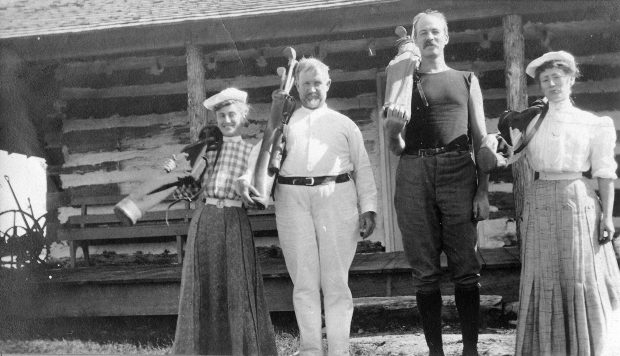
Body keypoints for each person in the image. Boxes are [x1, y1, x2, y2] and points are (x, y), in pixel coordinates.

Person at [239, 57, 377, 356]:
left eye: (317, 83)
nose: (312, 90)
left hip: (336, 198)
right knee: (304, 280)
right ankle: (311, 348)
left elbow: (363, 168)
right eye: (305, 84)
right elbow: (260, 156)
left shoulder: (344, 124)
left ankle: (339, 349)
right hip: (292, 201)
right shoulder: (286, 123)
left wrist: (368, 208)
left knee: (336, 281)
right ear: (297, 87)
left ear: (327, 85)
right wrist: (247, 181)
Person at [383, 9, 490, 356]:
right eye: (423, 33)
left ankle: (470, 349)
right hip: (414, 170)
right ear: (415, 40)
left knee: (465, 267)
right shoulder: (402, 82)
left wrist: (483, 190)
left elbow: (481, 139)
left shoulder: (466, 79)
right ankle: (435, 351)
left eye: (435, 32)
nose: (430, 38)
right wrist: (393, 129)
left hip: (459, 170)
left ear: (446, 37)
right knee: (425, 271)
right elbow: (396, 149)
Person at [502, 50, 620, 356]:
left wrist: (607, 217)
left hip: (577, 199)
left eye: (558, 77)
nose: (552, 84)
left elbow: (605, 173)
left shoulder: (593, 123)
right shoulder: (531, 123)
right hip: (540, 199)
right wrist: (494, 143)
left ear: (570, 79)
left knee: (579, 275)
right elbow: (507, 156)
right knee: (545, 276)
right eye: (545, 80)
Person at [170, 88, 277, 356]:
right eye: (221, 116)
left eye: (232, 115)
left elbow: (260, 194)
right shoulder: (207, 150)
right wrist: (177, 172)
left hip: (234, 220)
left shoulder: (252, 152)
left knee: (235, 285)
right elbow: (189, 191)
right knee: (203, 285)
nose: (226, 121)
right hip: (205, 221)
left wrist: (249, 189)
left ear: (243, 117)